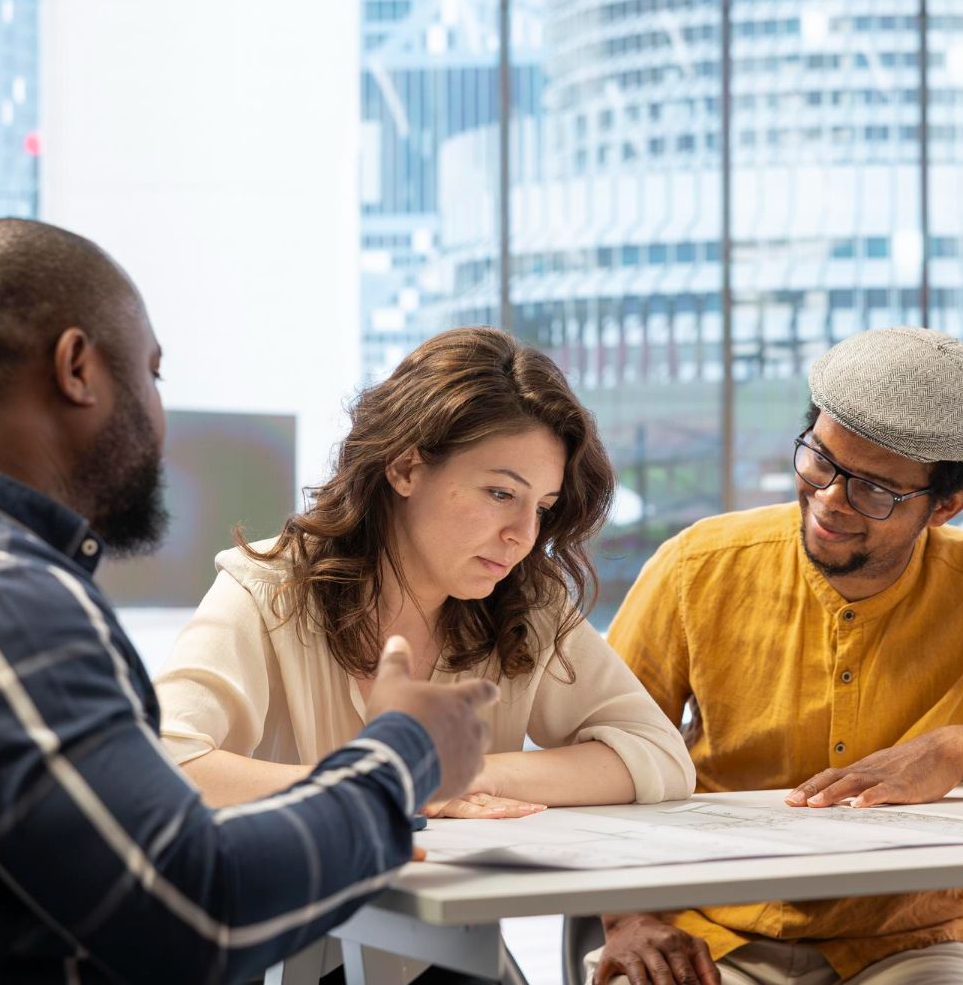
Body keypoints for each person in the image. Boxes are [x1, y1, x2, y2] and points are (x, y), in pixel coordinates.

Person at [0, 218, 498, 984]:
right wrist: (406, 752)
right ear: (77, 368)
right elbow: (202, 908)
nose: (158, 417)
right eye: (152, 375)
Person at [589, 327, 963, 985]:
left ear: (948, 505)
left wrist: (958, 750)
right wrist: (629, 918)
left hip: (910, 941)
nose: (829, 500)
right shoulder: (697, 566)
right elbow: (603, 754)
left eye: (875, 491)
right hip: (704, 929)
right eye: (819, 461)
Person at [154, 326, 694, 818]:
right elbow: (164, 766)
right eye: (500, 493)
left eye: (543, 507)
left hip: (457, 922)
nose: (523, 535)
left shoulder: (528, 602)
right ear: (406, 467)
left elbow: (659, 754)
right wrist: (377, 786)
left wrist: (464, 774)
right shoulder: (267, 587)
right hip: (292, 922)